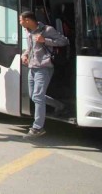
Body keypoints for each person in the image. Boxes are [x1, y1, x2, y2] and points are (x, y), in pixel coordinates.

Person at [19, 11, 69, 139]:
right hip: (32, 67)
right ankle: (60, 106)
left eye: (21, 20)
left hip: (44, 67)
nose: (20, 23)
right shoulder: (28, 32)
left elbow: (64, 41)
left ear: (28, 20)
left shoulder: (47, 29)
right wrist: (25, 55)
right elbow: (30, 48)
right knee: (33, 96)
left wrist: (45, 40)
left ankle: (37, 128)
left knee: (38, 96)